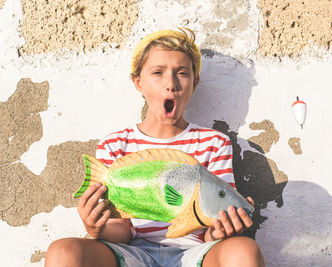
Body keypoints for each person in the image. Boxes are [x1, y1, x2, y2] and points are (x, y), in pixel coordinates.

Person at [45, 28, 265, 267]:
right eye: (158, 73)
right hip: (131, 254)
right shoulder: (115, 145)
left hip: (196, 253)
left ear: (195, 82)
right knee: (62, 252)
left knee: (244, 250)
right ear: (138, 82)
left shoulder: (214, 143)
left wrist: (222, 231)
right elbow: (121, 229)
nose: (170, 84)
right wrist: (96, 227)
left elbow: (211, 229)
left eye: (182, 73)